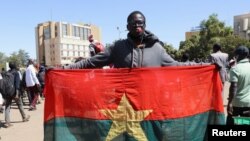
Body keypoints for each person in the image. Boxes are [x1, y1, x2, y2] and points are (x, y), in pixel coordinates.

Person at [64, 11, 196, 69]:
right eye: (134, 23)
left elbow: (177, 65)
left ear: (145, 26)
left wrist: (207, 65)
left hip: (150, 107)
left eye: (141, 23)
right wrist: (64, 69)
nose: (137, 26)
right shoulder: (117, 48)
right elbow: (90, 63)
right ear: (127, 26)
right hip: (124, 108)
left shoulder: (157, 49)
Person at [226, 46, 250, 125]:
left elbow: (233, 87)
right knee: (246, 122)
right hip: (248, 103)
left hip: (237, 103)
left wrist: (230, 103)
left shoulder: (235, 69)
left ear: (238, 56)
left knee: (231, 123)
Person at [3, 62, 30, 128]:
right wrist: (17, 94)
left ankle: (7, 122)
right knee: (20, 104)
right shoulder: (16, 73)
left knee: (7, 107)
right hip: (14, 92)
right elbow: (17, 84)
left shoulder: (7, 73)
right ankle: (24, 117)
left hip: (8, 92)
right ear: (15, 66)